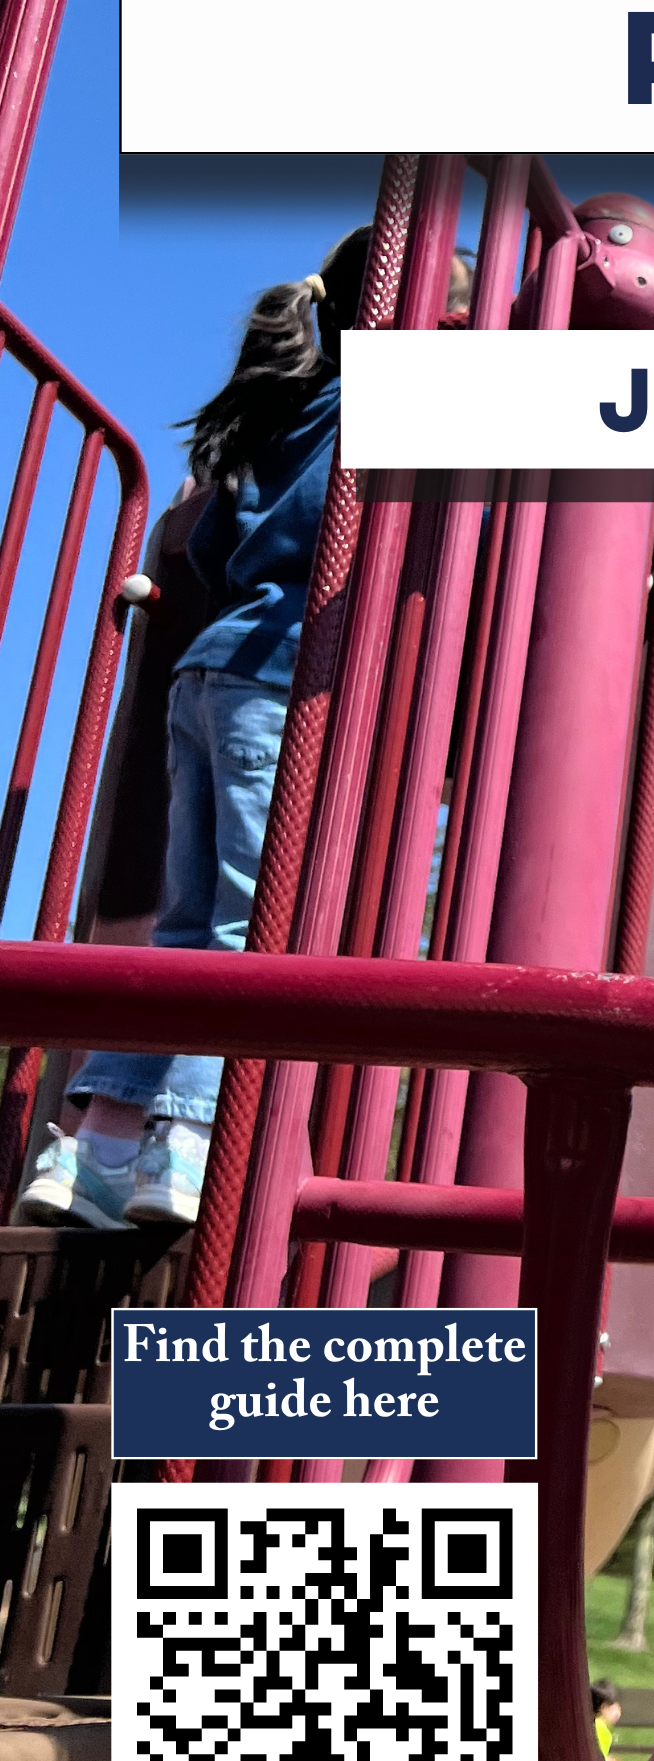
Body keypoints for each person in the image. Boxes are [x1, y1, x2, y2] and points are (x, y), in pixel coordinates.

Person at [22, 227, 381, 1232]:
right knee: (245, 914)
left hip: (204, 672)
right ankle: (182, 1142)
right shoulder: (379, 408)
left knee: (184, 928)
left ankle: (91, 1148)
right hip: (276, 670)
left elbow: (213, 542)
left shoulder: (285, 407)